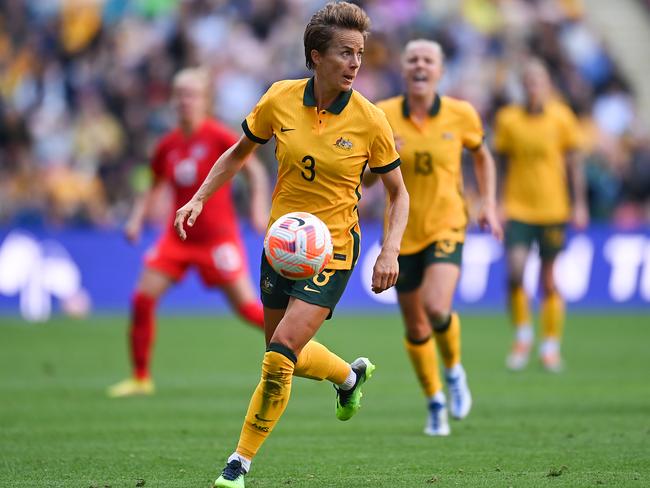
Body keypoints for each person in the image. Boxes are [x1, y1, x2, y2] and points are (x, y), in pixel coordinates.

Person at [175, 3, 409, 486]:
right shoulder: (279, 99)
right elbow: (239, 154)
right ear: (315, 55)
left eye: (360, 54)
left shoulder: (370, 120)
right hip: (282, 245)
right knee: (282, 353)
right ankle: (348, 376)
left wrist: (390, 250)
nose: (355, 63)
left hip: (334, 248)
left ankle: (238, 463)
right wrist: (199, 198)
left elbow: (398, 193)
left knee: (280, 353)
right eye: (345, 53)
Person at [108, 68, 269, 398]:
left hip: (218, 239)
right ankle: (140, 378)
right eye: (179, 95)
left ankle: (305, 348)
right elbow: (153, 185)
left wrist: (257, 210)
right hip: (177, 238)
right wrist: (137, 219)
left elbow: (254, 170)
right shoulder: (166, 145)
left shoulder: (219, 136)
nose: (184, 101)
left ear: (205, 100)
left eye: (191, 95)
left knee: (249, 310)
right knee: (142, 298)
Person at [371, 40, 502, 436]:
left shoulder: (461, 114)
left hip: (447, 223)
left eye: (428, 60)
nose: (420, 66)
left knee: (436, 307)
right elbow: (364, 176)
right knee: (415, 328)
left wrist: (489, 204)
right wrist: (382, 159)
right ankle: (435, 401)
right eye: (412, 59)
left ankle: (454, 370)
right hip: (401, 232)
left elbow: (482, 156)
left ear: (441, 70)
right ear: (403, 67)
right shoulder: (382, 115)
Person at [494, 58, 588, 372]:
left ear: (547, 85)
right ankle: (522, 335)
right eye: (529, 81)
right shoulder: (508, 119)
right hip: (518, 207)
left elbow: (574, 164)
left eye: (539, 81)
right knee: (516, 272)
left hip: (553, 208)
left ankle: (550, 346)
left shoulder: (562, 117)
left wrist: (579, 203)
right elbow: (502, 165)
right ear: (523, 86)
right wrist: (497, 202)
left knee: (549, 279)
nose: (534, 86)